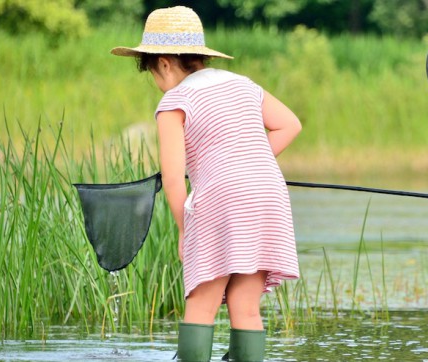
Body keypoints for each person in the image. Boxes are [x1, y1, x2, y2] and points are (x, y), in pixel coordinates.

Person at [112, 6, 302, 361]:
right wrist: (248, 160)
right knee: (246, 307)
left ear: (164, 63)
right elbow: (290, 125)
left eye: (153, 73)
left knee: (201, 302)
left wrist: (186, 229)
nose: (157, 82)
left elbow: (173, 178)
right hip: (268, 196)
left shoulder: (174, 102)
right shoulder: (242, 84)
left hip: (218, 199)